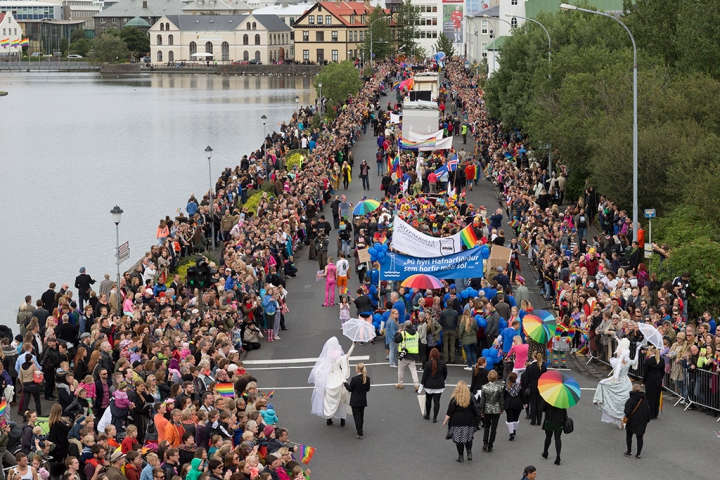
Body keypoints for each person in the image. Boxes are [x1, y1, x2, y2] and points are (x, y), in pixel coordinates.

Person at [593, 338, 640, 428]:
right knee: (625, 402)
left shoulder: (616, 363)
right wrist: (637, 350)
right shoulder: (628, 362)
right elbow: (635, 361)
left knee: (604, 386)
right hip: (626, 382)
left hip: (618, 381)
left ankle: (601, 401)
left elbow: (613, 359)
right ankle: (623, 419)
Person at [308, 337, 355, 426]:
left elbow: (318, 371)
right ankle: (342, 418)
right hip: (339, 378)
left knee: (328, 400)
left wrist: (320, 381)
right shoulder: (339, 359)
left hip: (330, 379)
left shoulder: (327, 361)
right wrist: (353, 345)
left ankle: (329, 418)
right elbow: (347, 355)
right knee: (342, 399)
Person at [442, 380, 477, 463]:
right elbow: (475, 408)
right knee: (469, 438)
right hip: (469, 421)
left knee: (458, 440)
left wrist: (445, 421)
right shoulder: (470, 397)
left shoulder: (454, 399)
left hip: (457, 422)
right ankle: (469, 452)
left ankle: (460, 456)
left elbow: (449, 412)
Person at [478, 370, 504, 453]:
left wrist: (482, 411)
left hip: (487, 409)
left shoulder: (484, 387)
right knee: (494, 428)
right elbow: (501, 400)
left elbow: (482, 400)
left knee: (486, 427)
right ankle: (490, 445)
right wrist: (502, 409)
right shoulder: (500, 387)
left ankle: (485, 442)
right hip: (496, 409)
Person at [623, 384, 651, 459]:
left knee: (629, 435)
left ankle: (629, 451)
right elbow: (648, 411)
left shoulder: (630, 400)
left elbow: (627, 411)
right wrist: (647, 421)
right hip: (642, 421)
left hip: (631, 420)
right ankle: (638, 454)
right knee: (640, 437)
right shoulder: (644, 400)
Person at [343, 362, 370, 439]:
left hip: (355, 401)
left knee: (357, 417)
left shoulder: (354, 379)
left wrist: (345, 384)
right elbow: (367, 389)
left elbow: (350, 389)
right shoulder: (367, 378)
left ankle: (360, 432)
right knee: (361, 416)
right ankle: (360, 430)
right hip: (363, 400)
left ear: (358, 370)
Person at [420, 348, 447, 422]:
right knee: (437, 401)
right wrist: (442, 380)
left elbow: (425, 376)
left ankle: (428, 415)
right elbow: (445, 374)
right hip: (439, 385)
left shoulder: (428, 364)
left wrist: (421, 384)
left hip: (429, 385)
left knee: (428, 400)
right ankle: (435, 418)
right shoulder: (443, 363)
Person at [521, 352, 547, 426]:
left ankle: (533, 420)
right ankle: (539, 420)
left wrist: (525, 386)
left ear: (533, 357)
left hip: (532, 387)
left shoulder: (530, 367)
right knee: (539, 404)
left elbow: (526, 378)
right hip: (541, 387)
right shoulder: (543, 367)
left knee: (533, 404)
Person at [394, 321, 420, 391]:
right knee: (413, 370)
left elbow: (396, 340)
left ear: (405, 326)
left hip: (404, 355)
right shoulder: (417, 334)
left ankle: (400, 384)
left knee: (400, 370)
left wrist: (397, 332)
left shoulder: (403, 333)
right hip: (413, 355)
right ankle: (416, 384)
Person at [642, 346, 664, 419]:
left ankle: (650, 413)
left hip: (650, 379)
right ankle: (655, 413)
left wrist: (643, 381)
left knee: (650, 396)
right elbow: (662, 372)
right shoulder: (662, 360)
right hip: (658, 379)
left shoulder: (648, 361)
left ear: (651, 352)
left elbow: (645, 372)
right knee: (657, 396)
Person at [504, 372, 526, 441]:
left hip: (509, 404)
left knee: (509, 418)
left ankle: (511, 434)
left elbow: (503, 397)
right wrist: (525, 403)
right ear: (516, 378)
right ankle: (514, 430)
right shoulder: (519, 386)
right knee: (516, 418)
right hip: (518, 404)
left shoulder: (506, 387)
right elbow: (523, 396)